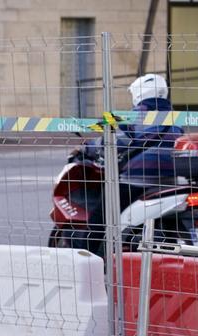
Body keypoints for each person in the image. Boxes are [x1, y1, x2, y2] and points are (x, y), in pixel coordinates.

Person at [72, 73, 184, 256]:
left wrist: (87, 148)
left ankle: (86, 261)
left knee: (99, 219)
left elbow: (112, 141)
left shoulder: (135, 115)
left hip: (139, 179)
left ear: (139, 94)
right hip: (170, 179)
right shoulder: (175, 117)